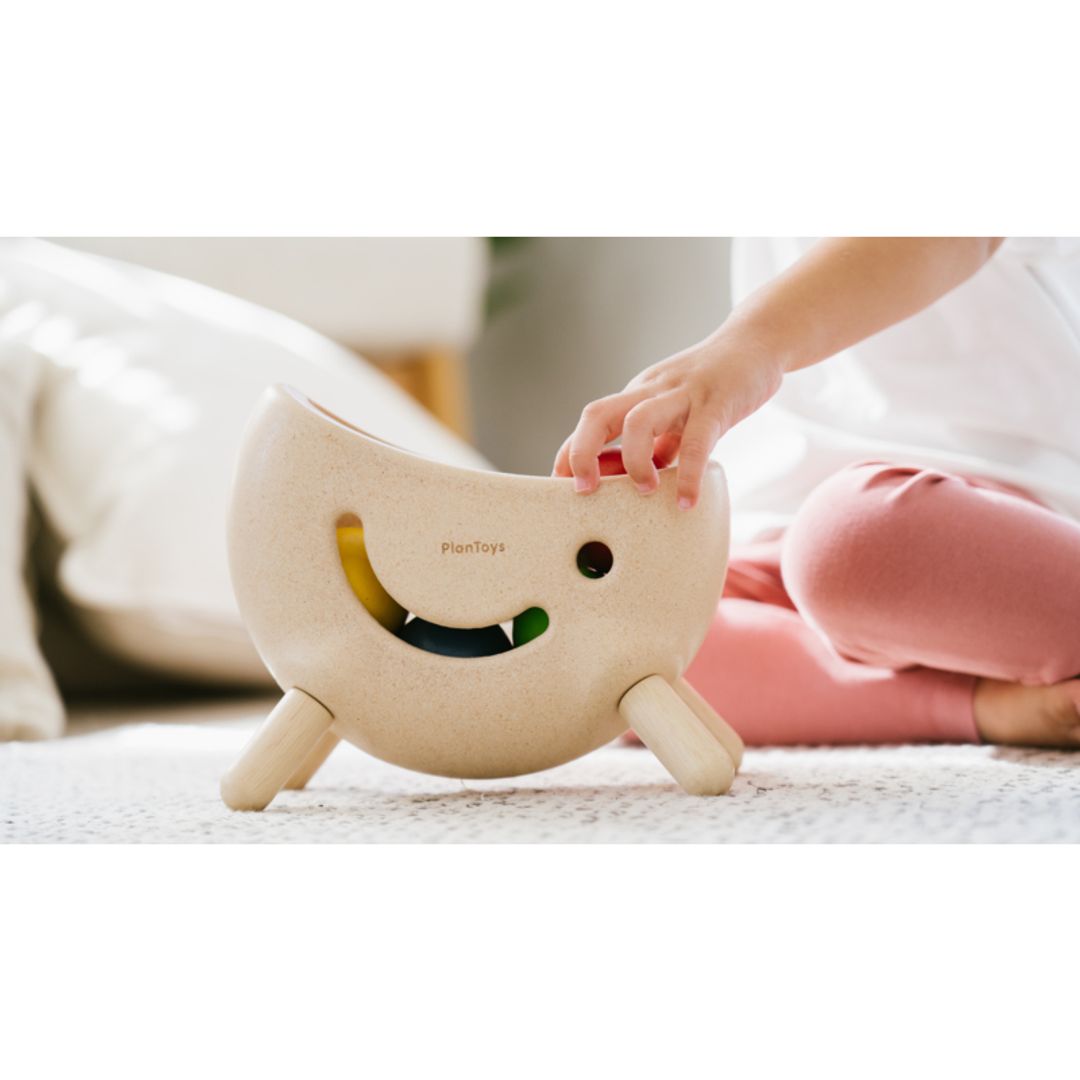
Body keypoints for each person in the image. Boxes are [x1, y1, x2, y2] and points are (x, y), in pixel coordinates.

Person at [553, 238, 1080, 749]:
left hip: (989, 507)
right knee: (611, 637)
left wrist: (750, 345)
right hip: (787, 524)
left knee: (850, 542)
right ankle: (982, 704)